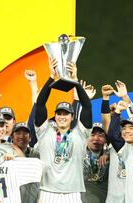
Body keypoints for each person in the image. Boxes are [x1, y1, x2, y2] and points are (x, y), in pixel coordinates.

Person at [34, 58, 92, 203]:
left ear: (72, 117)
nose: (62, 116)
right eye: (59, 113)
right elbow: (40, 103)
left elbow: (87, 107)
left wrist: (76, 81)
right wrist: (51, 77)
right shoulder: (44, 132)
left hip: (73, 194)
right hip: (47, 192)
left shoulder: (80, 134)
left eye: (65, 113)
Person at [82, 122, 109, 203]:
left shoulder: (111, 156)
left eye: (101, 135)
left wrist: (109, 154)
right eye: (92, 135)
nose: (96, 138)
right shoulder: (78, 153)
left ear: (106, 140)